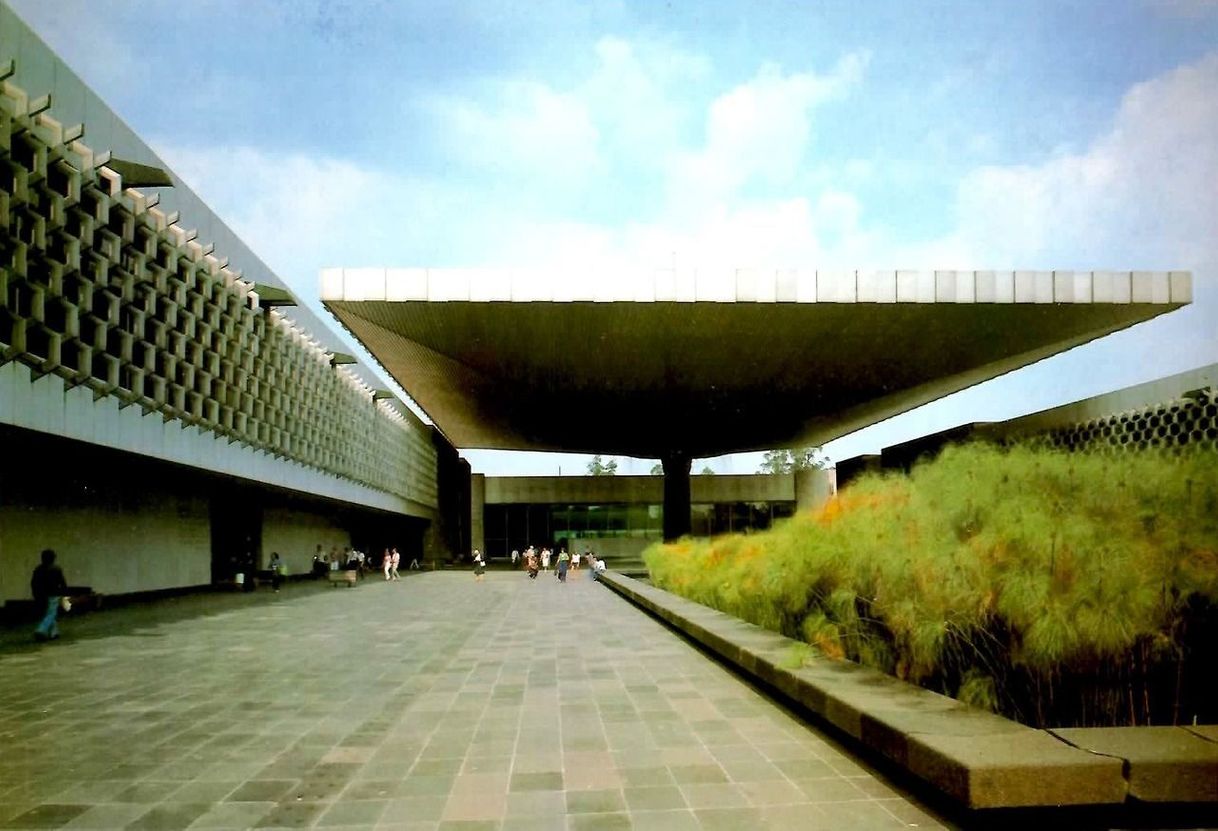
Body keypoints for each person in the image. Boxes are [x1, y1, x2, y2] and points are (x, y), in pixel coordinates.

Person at [31, 549, 67, 642]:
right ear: (53, 558)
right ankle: (41, 630)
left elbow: (34, 583)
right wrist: (64, 592)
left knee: (48, 613)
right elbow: (62, 582)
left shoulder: (38, 569)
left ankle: (54, 633)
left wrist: (35, 594)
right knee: (51, 613)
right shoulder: (56, 569)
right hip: (53, 594)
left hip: (41, 594)